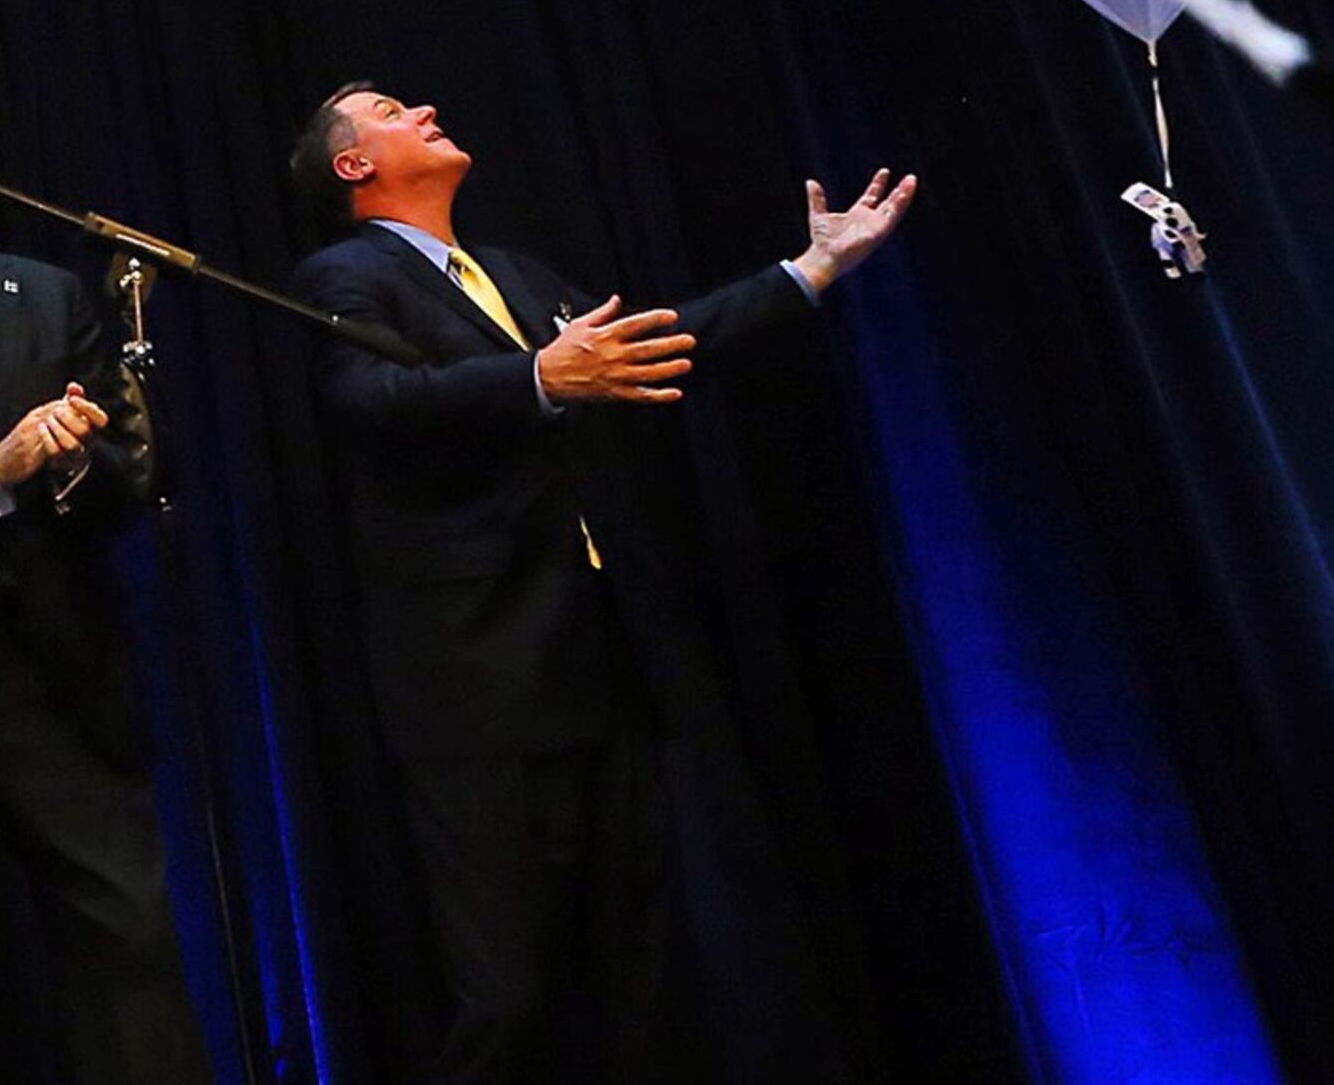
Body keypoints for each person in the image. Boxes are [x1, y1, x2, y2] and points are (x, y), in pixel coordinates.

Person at [282, 84, 915, 1084]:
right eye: (394, 110)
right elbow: (372, 403)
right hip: (474, 680)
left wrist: (810, 272)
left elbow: (659, 342)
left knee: (636, 971)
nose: (429, 108)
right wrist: (538, 380)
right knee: (507, 989)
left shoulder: (518, 276)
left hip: (596, 662)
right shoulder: (345, 275)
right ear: (352, 165)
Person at [0, 98, 208, 1084]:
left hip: (64, 679)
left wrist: (73, 459)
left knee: (132, 940)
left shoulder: (47, 292)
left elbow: (125, 469)